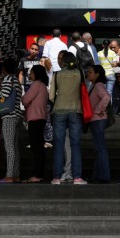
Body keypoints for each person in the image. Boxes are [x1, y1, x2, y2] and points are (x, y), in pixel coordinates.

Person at [49, 52, 86, 185]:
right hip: (75, 110)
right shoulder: (79, 73)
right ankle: (77, 177)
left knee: (59, 145)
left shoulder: (57, 74)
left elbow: (51, 96)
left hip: (59, 110)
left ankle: (57, 178)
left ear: (63, 61)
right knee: (75, 145)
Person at [21, 65, 50, 183]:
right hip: (41, 118)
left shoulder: (37, 84)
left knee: (36, 147)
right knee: (39, 147)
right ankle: (39, 174)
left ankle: (36, 174)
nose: (29, 74)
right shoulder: (43, 85)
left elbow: (25, 99)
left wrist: (26, 102)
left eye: (31, 72)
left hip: (35, 118)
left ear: (36, 73)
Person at [0, 58, 24, 183]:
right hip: (17, 115)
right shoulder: (17, 81)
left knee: (9, 147)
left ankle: (9, 175)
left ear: (4, 69)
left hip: (9, 116)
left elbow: (4, 94)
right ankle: (16, 174)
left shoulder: (8, 79)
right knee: (14, 147)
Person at [86, 65, 111, 184]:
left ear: (97, 74)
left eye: (90, 72)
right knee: (99, 148)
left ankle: (103, 175)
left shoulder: (98, 85)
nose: (88, 74)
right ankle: (97, 175)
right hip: (96, 119)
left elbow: (106, 97)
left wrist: (98, 110)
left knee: (100, 148)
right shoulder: (95, 85)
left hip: (97, 119)